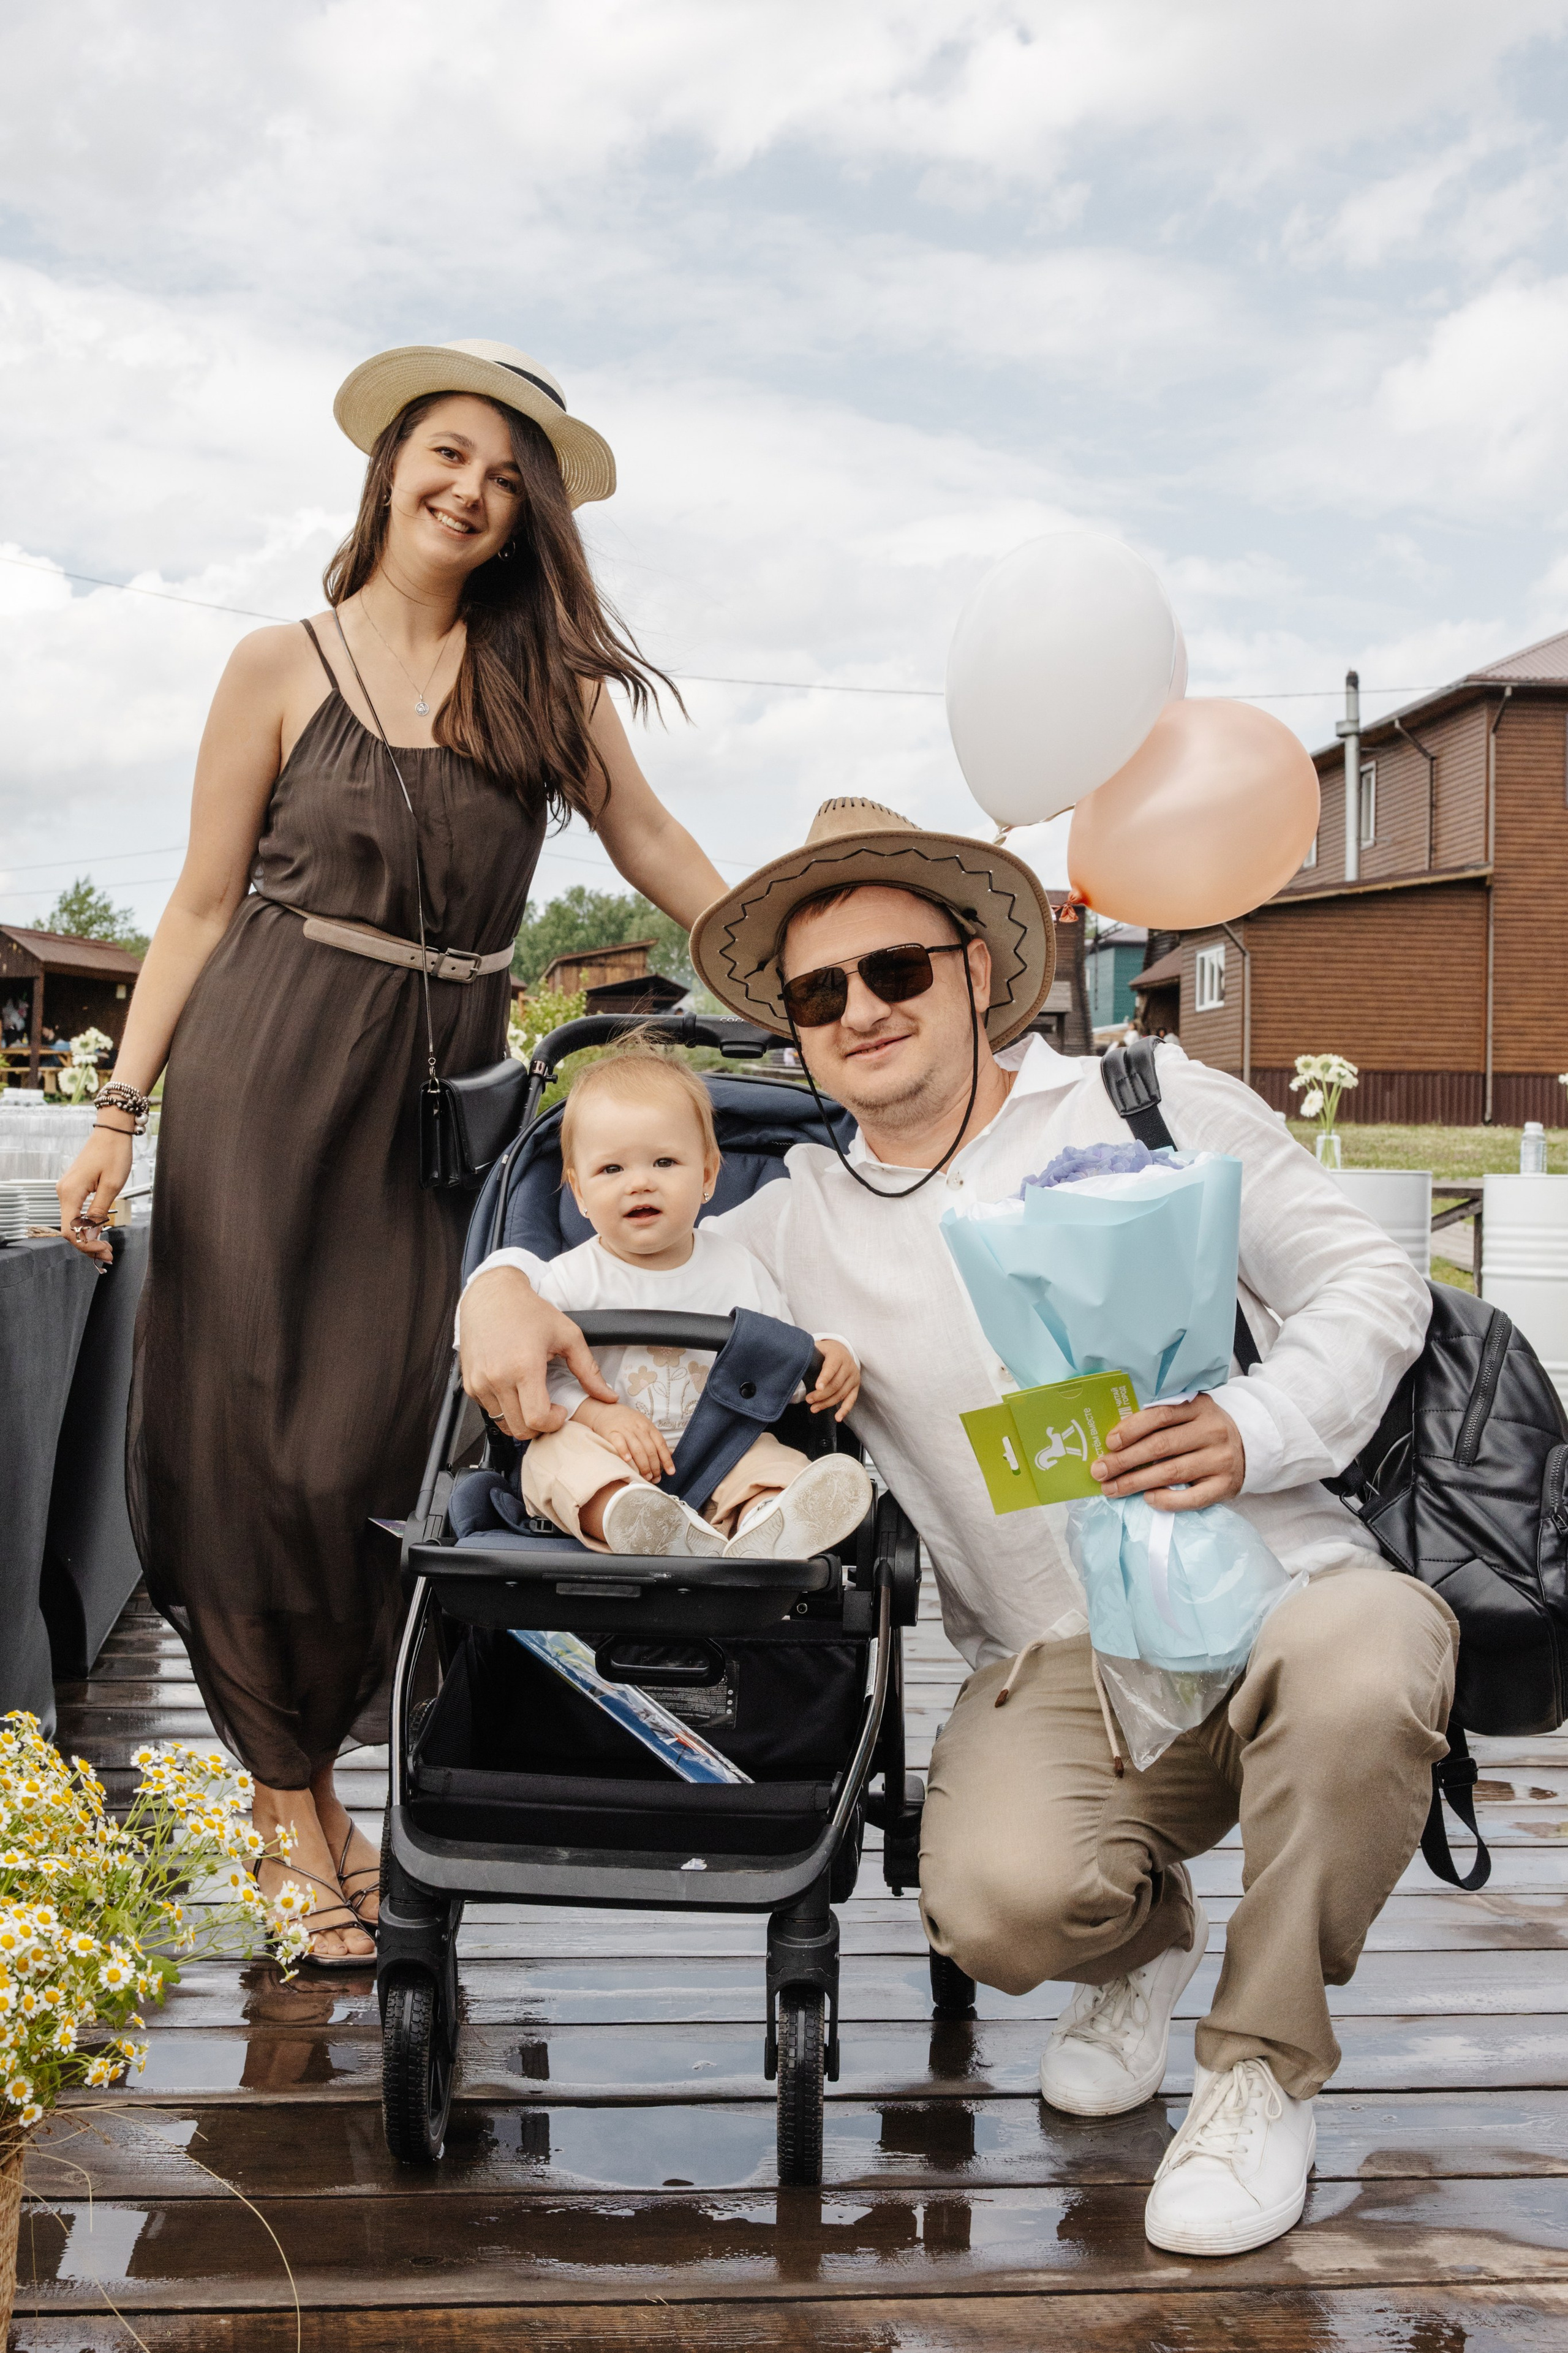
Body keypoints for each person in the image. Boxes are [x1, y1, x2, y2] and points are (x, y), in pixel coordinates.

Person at [458, 796, 1453, 2259]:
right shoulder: (792, 1216)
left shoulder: (1143, 1098)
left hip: (1271, 1585)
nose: (858, 1009)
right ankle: (1144, 1942)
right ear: (792, 1031)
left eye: (894, 969)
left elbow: (1369, 1279)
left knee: (1370, 1660)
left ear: (978, 967)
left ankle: (1254, 2070)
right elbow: (600, 1267)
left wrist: (1253, 1422)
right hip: (1059, 1653)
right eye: (817, 992)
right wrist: (491, 1281)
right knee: (992, 1906)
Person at [57, 338, 725, 1965]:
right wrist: (119, 1109)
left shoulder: (542, 688)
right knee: (250, 1443)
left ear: (527, 518)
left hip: (446, 1097)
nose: (470, 491)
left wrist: (789, 962)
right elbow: (205, 904)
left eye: (506, 479)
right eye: (446, 454)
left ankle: (333, 1784)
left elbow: (645, 839)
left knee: (389, 1443)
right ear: (387, 467)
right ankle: (291, 1808)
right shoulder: (276, 663)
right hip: (268, 1077)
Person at [470, 1041, 872, 1558]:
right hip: (605, 1447)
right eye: (611, 1170)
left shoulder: (738, 1267)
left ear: (707, 1175)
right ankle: (629, 1514)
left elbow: (779, 1362)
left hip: (717, 1446)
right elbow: (540, 1382)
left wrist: (827, 1353)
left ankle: (766, 1520)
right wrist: (600, 1417)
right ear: (579, 1192)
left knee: (766, 1459)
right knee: (553, 1459)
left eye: (664, 1161)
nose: (640, 1182)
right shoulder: (564, 1281)